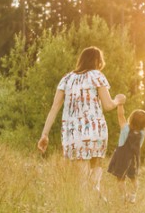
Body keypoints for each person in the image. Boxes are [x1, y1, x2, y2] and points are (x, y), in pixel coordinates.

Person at [38, 46, 126, 192]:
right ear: (98, 61)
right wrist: (118, 100)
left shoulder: (66, 79)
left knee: (81, 177)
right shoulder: (97, 76)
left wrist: (44, 134)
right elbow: (108, 105)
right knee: (96, 166)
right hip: (95, 131)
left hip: (73, 134)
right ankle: (95, 194)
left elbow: (54, 108)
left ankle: (84, 201)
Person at [107, 106, 145, 203]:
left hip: (120, 158)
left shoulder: (125, 129)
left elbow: (120, 115)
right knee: (134, 179)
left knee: (120, 179)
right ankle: (133, 195)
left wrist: (120, 104)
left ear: (131, 118)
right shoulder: (142, 132)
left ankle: (123, 197)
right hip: (132, 159)